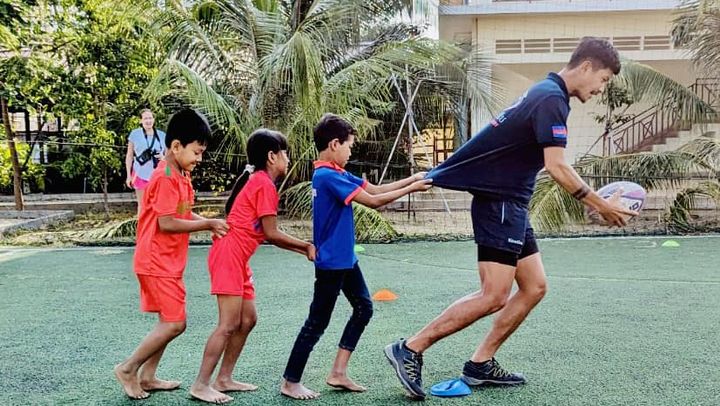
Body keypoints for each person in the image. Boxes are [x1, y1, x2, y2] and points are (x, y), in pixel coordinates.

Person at [384, 37, 638, 400]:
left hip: (513, 203)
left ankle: (480, 363)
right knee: (493, 295)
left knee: (534, 286)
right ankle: (410, 347)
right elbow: (557, 166)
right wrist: (600, 204)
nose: (601, 89)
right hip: (500, 202)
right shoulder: (551, 98)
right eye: (604, 80)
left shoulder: (549, 94)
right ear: (586, 67)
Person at [280, 113, 432, 400]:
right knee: (317, 322)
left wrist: (412, 178)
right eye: (350, 145)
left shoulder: (337, 172)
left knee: (364, 308)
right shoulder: (326, 176)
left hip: (346, 259)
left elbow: (374, 189)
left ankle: (338, 372)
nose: (351, 152)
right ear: (335, 144)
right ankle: (290, 381)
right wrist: (412, 188)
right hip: (332, 263)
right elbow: (373, 202)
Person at [190, 129, 316, 404]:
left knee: (248, 320)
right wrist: (305, 246)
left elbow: (266, 233)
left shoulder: (259, 181)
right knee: (227, 324)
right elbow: (271, 233)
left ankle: (224, 378)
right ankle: (201, 384)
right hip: (228, 255)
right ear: (272, 157)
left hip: (238, 258)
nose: (288, 159)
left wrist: (303, 247)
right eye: (285, 154)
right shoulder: (264, 185)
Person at [114, 109, 230, 400]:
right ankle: (129, 369)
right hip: (155, 262)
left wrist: (208, 221)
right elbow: (166, 223)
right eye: (196, 152)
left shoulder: (181, 174)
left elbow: (182, 213)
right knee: (175, 322)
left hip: (167, 262)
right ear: (176, 146)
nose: (199, 159)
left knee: (170, 321)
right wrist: (205, 224)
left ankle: (149, 376)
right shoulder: (165, 176)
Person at [125, 109, 166, 212]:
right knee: (142, 205)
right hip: (140, 173)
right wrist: (128, 176)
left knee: (159, 205)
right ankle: (142, 227)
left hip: (158, 174)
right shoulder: (135, 134)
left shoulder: (161, 135)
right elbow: (129, 155)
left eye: (150, 118)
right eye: (145, 118)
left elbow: (170, 156)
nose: (148, 121)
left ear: (154, 119)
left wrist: (163, 157)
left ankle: (157, 227)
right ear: (141, 121)